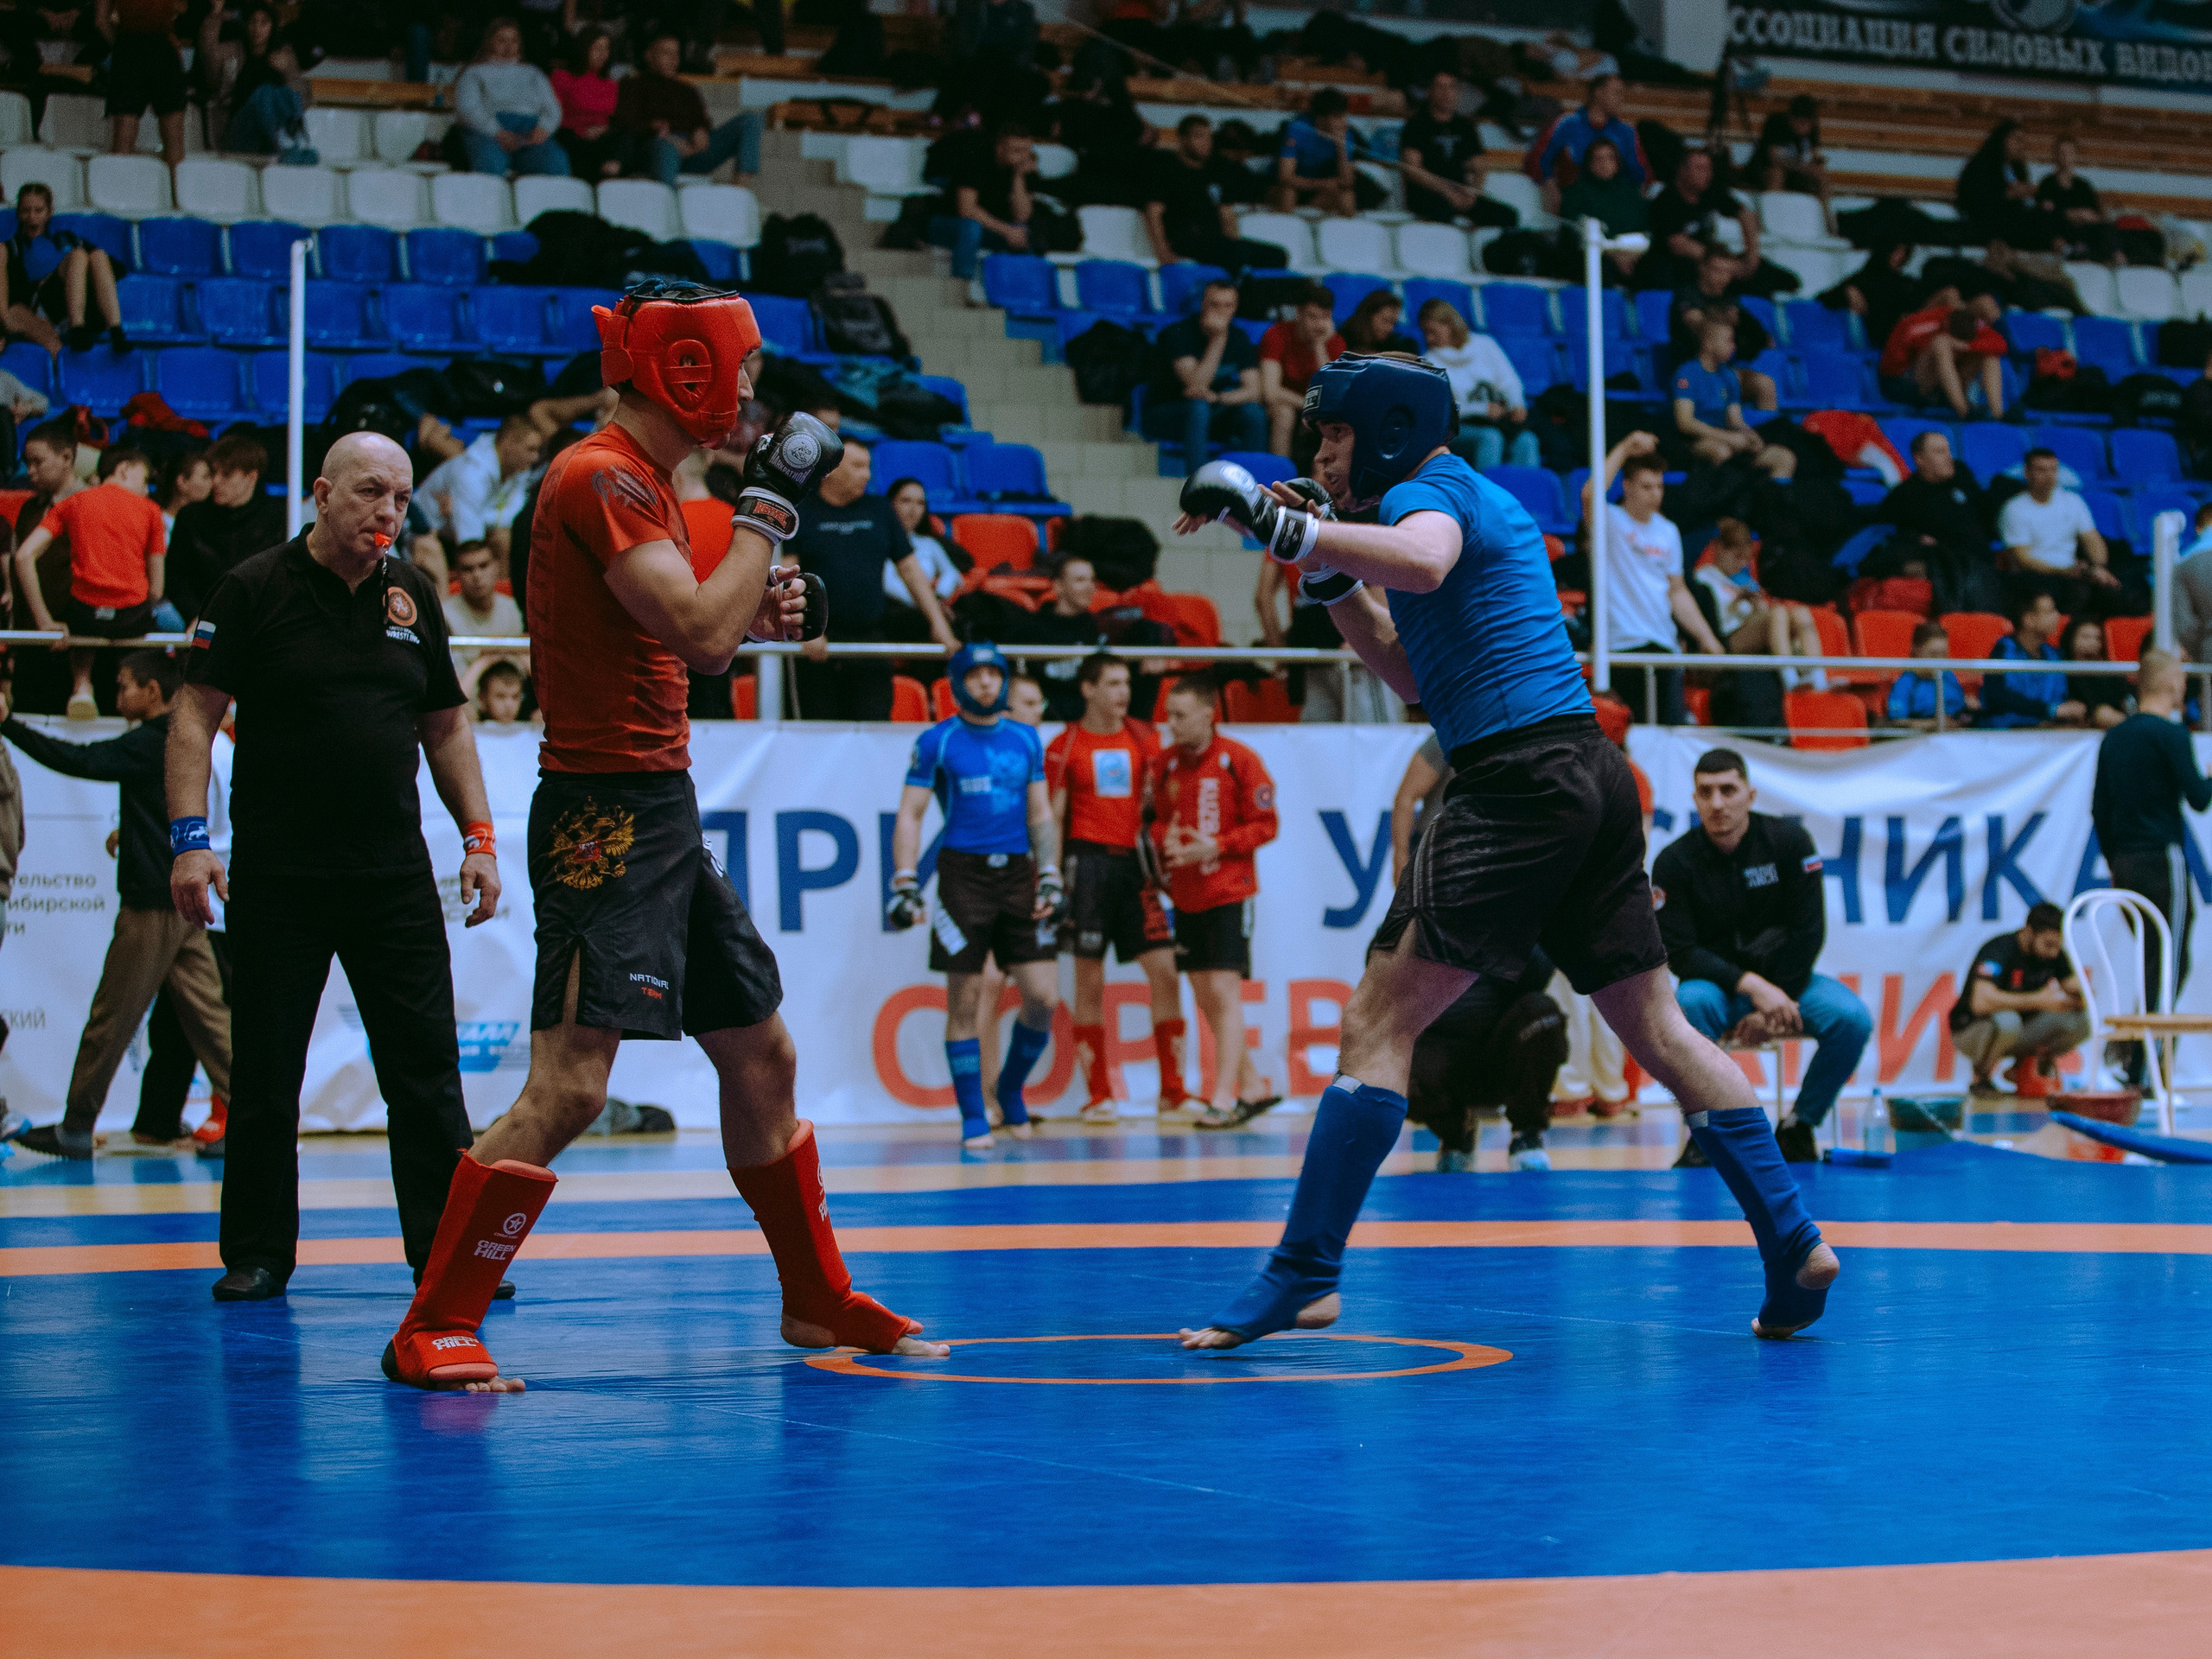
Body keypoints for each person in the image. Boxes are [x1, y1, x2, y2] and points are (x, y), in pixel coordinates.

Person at [1172, 353, 1840, 1348]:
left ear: (1390, 431)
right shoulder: (1427, 504)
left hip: (1519, 783)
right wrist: (1322, 569)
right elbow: (1412, 673)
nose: (1317, 453)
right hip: (1582, 772)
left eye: (1332, 435)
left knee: (1375, 1023)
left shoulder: (1433, 490)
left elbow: (1428, 560)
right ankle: (1794, 1240)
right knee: (1655, 1026)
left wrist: (1287, 525)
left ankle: (1304, 1271)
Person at [374, 283, 942, 1390]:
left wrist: (766, 593)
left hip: (659, 805)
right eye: (740, 370)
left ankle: (814, 1297)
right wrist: (768, 522)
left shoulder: (658, 488)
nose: (749, 395)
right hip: (603, 812)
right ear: (687, 372)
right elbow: (700, 632)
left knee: (762, 1053)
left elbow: (701, 620)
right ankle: (432, 1320)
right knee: (572, 1087)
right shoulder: (598, 476)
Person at [164, 432, 494, 1302]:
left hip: (391, 877)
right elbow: (194, 718)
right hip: (281, 879)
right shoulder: (252, 589)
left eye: (400, 498)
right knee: (267, 1074)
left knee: (426, 1074)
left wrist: (480, 839)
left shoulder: (411, 594)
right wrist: (190, 840)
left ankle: (446, 1252)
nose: (387, 512)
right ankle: (259, 1253)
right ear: (321, 494)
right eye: (370, 493)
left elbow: (447, 727)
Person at [3, 652, 234, 1160]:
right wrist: (128, 836)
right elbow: (165, 808)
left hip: (153, 907)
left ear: (153, 692)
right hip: (184, 904)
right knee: (212, 1021)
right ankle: (261, 1117)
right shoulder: (182, 744)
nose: (117, 696)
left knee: (110, 1021)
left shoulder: (152, 742)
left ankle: (76, 1127)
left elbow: (79, 760)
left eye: (125, 685)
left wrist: (9, 727)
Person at [1655, 749, 1872, 1164]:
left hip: (1787, 984)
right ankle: (1706, 1132)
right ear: (1695, 799)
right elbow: (1680, 953)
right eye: (1706, 792)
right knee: (1687, 1003)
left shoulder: (1790, 843)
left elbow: (1809, 932)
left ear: (1750, 795)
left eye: (1728, 790)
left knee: (1851, 1019)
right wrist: (1754, 988)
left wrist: (1776, 1001)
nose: (1717, 803)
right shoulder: (1673, 862)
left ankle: (1799, 1125)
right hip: (1718, 989)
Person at [887, 641, 1062, 1149]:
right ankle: (972, 1114)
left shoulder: (1027, 739)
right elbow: (911, 814)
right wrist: (904, 879)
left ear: (1004, 680)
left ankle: (1009, 1088)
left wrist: (1049, 870)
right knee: (964, 1000)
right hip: (962, 877)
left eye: (994, 674)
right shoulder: (937, 741)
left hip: (1018, 874)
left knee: (1042, 996)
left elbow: (1040, 814)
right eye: (975, 675)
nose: (986, 683)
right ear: (958, 683)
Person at [1046, 652, 1184, 1122]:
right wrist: (1047, 874)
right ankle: (1099, 1095)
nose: (1123, 692)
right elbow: (1054, 815)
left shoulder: (1145, 736)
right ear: (1088, 689)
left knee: (1165, 971)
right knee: (1089, 981)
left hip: (1135, 868)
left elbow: (1162, 801)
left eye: (1126, 683)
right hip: (1086, 866)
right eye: (1112, 683)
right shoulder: (1065, 746)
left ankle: (1174, 1092)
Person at [1147, 673, 1279, 1128]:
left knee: (1223, 992)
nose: (1172, 725)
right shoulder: (1164, 765)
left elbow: (1266, 825)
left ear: (1209, 714)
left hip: (1229, 891)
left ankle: (1223, 1099)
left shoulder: (1239, 760)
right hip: (1186, 894)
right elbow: (1156, 823)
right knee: (1205, 995)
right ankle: (1253, 1085)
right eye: (1168, 716)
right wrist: (1171, 842)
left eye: (1181, 716)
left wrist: (1216, 846)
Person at [786, 439, 957, 719]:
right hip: (819, 643)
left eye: (867, 467)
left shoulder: (879, 510)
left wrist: (938, 624)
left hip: (871, 639)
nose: (866, 475)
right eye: (857, 466)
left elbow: (910, 571)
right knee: (818, 735)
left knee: (874, 728)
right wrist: (806, 629)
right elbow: (787, 575)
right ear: (830, 470)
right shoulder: (802, 512)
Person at [2093, 648, 2212, 1036]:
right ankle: (2148, 1068)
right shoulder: (2171, 734)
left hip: (2125, 862)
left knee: (2154, 958)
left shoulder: (2114, 738)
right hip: (2162, 858)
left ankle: (2134, 1057)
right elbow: (2198, 797)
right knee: (2169, 961)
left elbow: (2099, 810)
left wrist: (2115, 859)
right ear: (2170, 682)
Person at [12, 445, 166, 721]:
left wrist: (44, 621)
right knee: (146, 632)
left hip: (85, 614)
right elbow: (156, 587)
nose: (146, 490)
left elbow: (23, 556)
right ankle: (130, 688)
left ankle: (82, 685)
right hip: (132, 615)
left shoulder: (72, 503)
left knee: (78, 613)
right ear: (124, 469)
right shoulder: (151, 510)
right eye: (144, 481)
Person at [1583, 432, 1726, 725]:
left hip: (1664, 648)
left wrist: (1707, 637)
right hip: (1622, 647)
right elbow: (1589, 495)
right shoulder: (1610, 521)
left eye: (1659, 486)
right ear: (1627, 487)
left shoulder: (1668, 531)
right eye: (1646, 486)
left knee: (1667, 738)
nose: (1655, 494)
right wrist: (1623, 448)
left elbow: (1677, 591)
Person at [1948, 901, 2090, 1096]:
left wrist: (2077, 997)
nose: (2054, 952)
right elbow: (1980, 1002)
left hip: (2020, 1032)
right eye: (2048, 945)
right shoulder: (1999, 949)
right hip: (1972, 1029)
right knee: (2008, 1020)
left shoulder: (2054, 954)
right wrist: (2037, 1000)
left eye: (2058, 946)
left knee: (2081, 1020)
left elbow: (2080, 992)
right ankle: (1980, 1078)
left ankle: (2022, 1070)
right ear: (2028, 932)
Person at [1141, 277, 1265, 477]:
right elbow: (1196, 385)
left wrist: (1219, 398)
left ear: (1235, 308)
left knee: (1253, 413)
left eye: (1228, 306)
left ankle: (1253, 483)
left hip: (1211, 408)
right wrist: (1218, 339)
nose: (1221, 311)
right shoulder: (1179, 333)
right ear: (1202, 305)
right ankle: (1199, 483)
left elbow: (1254, 391)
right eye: (1214, 304)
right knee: (1198, 406)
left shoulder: (1239, 337)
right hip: (1168, 411)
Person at [1870, 429, 2000, 614]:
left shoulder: (1962, 477)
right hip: (1951, 571)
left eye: (1948, 451)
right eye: (1940, 452)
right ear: (1919, 459)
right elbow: (1886, 534)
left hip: (1983, 563)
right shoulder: (1905, 496)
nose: (1949, 457)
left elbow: (1986, 512)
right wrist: (1916, 540)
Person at [1141, 114, 1288, 273]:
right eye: (1199, 136)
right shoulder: (1168, 170)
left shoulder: (1215, 171)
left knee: (1277, 255)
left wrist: (1234, 242)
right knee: (1234, 255)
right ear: (1183, 139)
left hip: (1216, 240)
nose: (1206, 142)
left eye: (1209, 137)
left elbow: (1226, 213)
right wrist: (1162, 252)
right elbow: (1154, 213)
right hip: (1185, 239)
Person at [613, 32, 762, 189]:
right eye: (666, 53)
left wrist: (700, 130)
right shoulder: (633, 85)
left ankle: (741, 189)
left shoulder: (687, 90)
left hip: (692, 149)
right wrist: (655, 128)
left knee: (751, 119)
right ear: (649, 55)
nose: (673, 58)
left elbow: (700, 121)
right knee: (666, 147)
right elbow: (624, 122)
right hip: (657, 145)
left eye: (676, 53)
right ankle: (667, 201)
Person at [165, 433, 285, 625]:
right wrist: (194, 616)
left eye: (226, 474)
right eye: (213, 473)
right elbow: (175, 577)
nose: (216, 482)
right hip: (205, 621)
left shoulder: (279, 518)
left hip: (260, 624)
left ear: (251, 477)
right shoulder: (191, 517)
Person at [2, 181, 127, 356]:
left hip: (86, 307)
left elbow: (120, 270)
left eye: (38, 211)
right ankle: (77, 328)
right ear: (18, 214)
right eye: (26, 211)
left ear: (49, 213)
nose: (32, 217)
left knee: (97, 255)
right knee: (78, 257)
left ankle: (116, 330)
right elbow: (14, 297)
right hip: (46, 310)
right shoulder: (13, 248)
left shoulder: (66, 239)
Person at [1641, 149, 1789, 296]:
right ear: (1682, 171)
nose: (1707, 174)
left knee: (1767, 277)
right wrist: (1723, 263)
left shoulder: (1712, 192)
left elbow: (1746, 214)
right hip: (1677, 262)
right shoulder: (1666, 201)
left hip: (1710, 259)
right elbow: (1678, 244)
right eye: (1700, 169)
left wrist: (1752, 257)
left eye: (1709, 169)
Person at [1999, 448, 2121, 617]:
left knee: (2114, 590)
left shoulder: (2072, 501)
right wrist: (2067, 571)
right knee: (2076, 592)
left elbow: (2093, 540)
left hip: (2072, 573)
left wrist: (2097, 568)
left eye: (2053, 470)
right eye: (2041, 470)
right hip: (2036, 577)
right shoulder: (2014, 509)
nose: (2049, 475)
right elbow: (2023, 559)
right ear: (2027, 473)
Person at [1418, 298, 1538, 471]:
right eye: (1425, 333)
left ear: (1450, 325)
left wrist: (1516, 404)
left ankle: (1525, 496)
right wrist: (1483, 409)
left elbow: (1509, 381)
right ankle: (1484, 496)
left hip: (1498, 421)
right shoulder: (1430, 360)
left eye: (1433, 331)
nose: (1429, 339)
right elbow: (1443, 409)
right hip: (1459, 428)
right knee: (1491, 438)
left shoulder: (1485, 344)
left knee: (1527, 440)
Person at [1696, 518, 1821, 680]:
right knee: (1777, 613)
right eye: (1737, 556)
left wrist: (1758, 605)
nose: (1741, 564)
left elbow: (1761, 617)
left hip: (1752, 632)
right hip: (1725, 639)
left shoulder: (1746, 581)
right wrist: (1736, 602)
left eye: (1746, 560)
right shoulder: (1704, 577)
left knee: (1801, 613)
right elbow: (1711, 620)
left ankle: (1818, 678)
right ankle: (1789, 678)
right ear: (1719, 548)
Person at [416, 414, 545, 569]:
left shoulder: (518, 469)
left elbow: (517, 517)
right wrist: (486, 520)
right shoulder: (471, 473)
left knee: (504, 537)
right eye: (531, 449)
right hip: (425, 532)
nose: (535, 457)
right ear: (509, 442)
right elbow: (471, 542)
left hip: (461, 532)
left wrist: (472, 514)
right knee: (500, 541)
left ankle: (504, 591)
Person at [1669, 321, 1795, 475]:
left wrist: (1751, 437)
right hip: (1694, 442)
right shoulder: (1687, 373)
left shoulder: (1728, 376)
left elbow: (1734, 421)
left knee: (1783, 458)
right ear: (1708, 343)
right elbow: (1685, 423)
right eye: (1728, 340)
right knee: (1721, 452)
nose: (1733, 346)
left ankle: (1771, 497)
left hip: (1727, 438)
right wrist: (1728, 438)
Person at [454, 17, 569, 179]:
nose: (508, 46)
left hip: (530, 132)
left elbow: (552, 108)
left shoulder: (533, 73)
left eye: (513, 41)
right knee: (491, 163)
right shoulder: (474, 73)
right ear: (489, 42)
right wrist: (497, 132)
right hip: (489, 132)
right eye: (502, 40)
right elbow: (468, 109)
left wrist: (544, 128)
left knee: (555, 161)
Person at [1396, 68, 1510, 228]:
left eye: (1451, 87)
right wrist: (1447, 192)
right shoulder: (1416, 125)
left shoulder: (1465, 126)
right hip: (1428, 194)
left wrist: (1473, 192)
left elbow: (1480, 166)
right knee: (1442, 213)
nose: (1447, 93)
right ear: (1430, 91)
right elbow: (1413, 170)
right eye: (1441, 87)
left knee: (1507, 215)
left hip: (1461, 193)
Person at [1004, 555, 1108, 721]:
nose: (1090, 587)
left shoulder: (1100, 627)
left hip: (1087, 724)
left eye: (1092, 580)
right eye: (1080, 580)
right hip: (1042, 722)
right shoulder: (1029, 630)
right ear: (1058, 586)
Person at [1668, 250, 1777, 406]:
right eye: (1717, 270)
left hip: (1723, 370)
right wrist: (1728, 322)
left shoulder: (1730, 299)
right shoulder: (1687, 295)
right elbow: (1703, 331)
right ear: (1702, 268)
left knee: (1764, 384)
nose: (1722, 277)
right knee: (1727, 382)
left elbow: (1764, 339)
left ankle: (1766, 427)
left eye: (1727, 272)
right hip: (1692, 369)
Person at [1878, 295, 2007, 421]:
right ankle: (1964, 411)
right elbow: (1890, 366)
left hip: (1947, 388)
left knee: (1989, 354)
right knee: (1941, 343)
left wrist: (1964, 346)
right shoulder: (1923, 321)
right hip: (1912, 385)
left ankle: (1997, 413)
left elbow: (2000, 345)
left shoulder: (1971, 323)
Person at [210, 2, 310, 157]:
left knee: (275, 95)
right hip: (240, 131)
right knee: (264, 94)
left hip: (272, 133)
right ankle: (287, 146)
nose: (257, 29)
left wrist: (287, 73)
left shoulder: (283, 56)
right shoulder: (232, 52)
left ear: (272, 26)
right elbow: (208, 58)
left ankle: (285, 143)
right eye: (253, 22)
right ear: (246, 25)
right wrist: (214, 16)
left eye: (264, 22)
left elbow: (302, 99)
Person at [1527, 72, 1647, 195]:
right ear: (1599, 93)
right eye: (1617, 93)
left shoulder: (1627, 132)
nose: (1621, 99)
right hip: (1573, 196)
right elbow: (1537, 160)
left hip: (1614, 197)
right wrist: (1548, 182)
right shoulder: (1566, 124)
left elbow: (1638, 172)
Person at [1257, 287, 1343, 459]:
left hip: (1316, 411)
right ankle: (1279, 479)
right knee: (1284, 413)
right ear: (1299, 313)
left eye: (1325, 318)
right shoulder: (1276, 335)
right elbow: (1271, 392)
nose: (1319, 324)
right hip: (1283, 405)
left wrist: (1319, 346)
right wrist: (1309, 407)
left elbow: (1333, 393)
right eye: (1312, 317)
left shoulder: (1334, 342)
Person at [106, 0, 190, 170]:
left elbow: (101, 20)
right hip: (161, 45)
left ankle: (118, 193)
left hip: (128, 45)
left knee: (124, 135)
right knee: (173, 138)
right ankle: (175, 196)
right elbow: (182, 6)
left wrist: (122, 44)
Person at [945, 124, 1041, 270]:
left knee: (1024, 234)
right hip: (949, 223)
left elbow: (1022, 217)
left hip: (991, 227)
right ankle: (960, 286)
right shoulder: (976, 160)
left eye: (1027, 150)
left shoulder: (1022, 168)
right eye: (1017, 150)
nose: (1023, 156)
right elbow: (966, 210)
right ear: (1000, 147)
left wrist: (1018, 176)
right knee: (971, 227)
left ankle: (1022, 290)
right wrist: (1007, 230)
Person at [1981, 589, 2080, 730]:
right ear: (2029, 619)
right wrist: (2049, 710)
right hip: (2008, 734)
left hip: (2049, 730)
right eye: (2049, 612)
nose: (2057, 616)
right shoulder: (2003, 651)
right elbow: (1997, 698)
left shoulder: (2053, 655)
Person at [881, 477, 963, 644]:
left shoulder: (929, 543)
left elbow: (952, 573)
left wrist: (939, 595)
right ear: (890, 504)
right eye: (905, 501)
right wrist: (930, 606)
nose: (913, 510)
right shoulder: (879, 541)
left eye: (920, 503)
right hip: (894, 611)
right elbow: (886, 583)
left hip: (932, 608)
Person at [1957, 120, 2056, 252]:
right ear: (2002, 139)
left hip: (2014, 219)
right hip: (1988, 222)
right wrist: (2008, 194)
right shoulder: (1981, 165)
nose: (2021, 146)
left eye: (2023, 142)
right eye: (2017, 140)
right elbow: (1974, 200)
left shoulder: (2018, 168)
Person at [1558, 137, 1648, 283]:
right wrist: (1614, 256)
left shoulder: (1632, 194)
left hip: (1634, 257)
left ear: (1617, 163)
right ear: (1589, 163)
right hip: (1592, 258)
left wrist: (1632, 256)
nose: (1604, 164)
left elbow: (1646, 231)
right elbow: (1576, 236)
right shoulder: (1575, 194)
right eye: (1598, 159)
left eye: (1610, 158)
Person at [444, 537, 528, 688]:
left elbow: (520, 672)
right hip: (469, 703)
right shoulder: (445, 615)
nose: (477, 576)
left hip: (511, 699)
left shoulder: (510, 607)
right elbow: (454, 689)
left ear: (496, 567)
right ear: (456, 574)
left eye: (483, 566)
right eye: (468, 569)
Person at [1269, 86, 1359, 216]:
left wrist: (1341, 147)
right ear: (1322, 118)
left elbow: (1347, 181)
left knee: (1347, 196)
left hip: (1316, 191)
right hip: (1292, 186)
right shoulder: (1297, 130)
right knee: (1288, 193)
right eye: (1338, 117)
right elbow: (1285, 177)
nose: (1343, 122)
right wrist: (1322, 184)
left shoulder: (1346, 134)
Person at [550, 28, 625, 181]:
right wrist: (581, 131)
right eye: (597, 48)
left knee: (624, 138)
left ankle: (609, 181)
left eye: (606, 48)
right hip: (571, 133)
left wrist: (602, 129)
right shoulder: (562, 77)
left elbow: (612, 117)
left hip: (602, 135)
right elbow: (554, 114)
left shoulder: (611, 84)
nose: (603, 54)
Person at [1823, 241, 1918, 355]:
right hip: (1885, 343)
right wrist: (1847, 291)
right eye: (1897, 251)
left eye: (1906, 252)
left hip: (1910, 336)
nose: (1902, 256)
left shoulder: (1909, 284)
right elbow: (1824, 298)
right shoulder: (1866, 278)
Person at [2035, 136, 2118, 265]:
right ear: (2055, 155)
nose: (2065, 157)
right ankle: (2068, 250)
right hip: (2061, 230)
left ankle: (2112, 255)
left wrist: (2087, 216)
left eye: (2069, 153)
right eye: (2061, 153)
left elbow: (2096, 216)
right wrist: (2071, 214)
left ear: (2075, 156)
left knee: (2107, 228)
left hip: (2083, 230)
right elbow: (2044, 213)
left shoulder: (2083, 186)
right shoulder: (2047, 184)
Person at [1750, 93, 1829, 216]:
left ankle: (1826, 220)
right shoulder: (1776, 123)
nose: (1804, 128)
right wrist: (1802, 167)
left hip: (1795, 173)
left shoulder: (1812, 129)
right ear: (1791, 119)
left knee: (1820, 175)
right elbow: (1774, 158)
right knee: (1777, 174)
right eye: (1801, 123)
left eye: (1808, 124)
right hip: (1764, 171)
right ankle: (1773, 217)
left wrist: (1816, 165)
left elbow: (1814, 155)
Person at [1885, 619, 1969, 728]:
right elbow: (1897, 723)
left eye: (1943, 655)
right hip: (1923, 740)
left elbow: (1962, 711)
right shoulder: (1905, 683)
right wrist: (1935, 724)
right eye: (1933, 654)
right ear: (1916, 651)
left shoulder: (1949, 676)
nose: (1939, 661)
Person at [2064, 617, 2129, 732]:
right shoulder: (2062, 670)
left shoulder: (2109, 672)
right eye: (2085, 637)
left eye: (2097, 638)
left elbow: (2125, 698)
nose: (2093, 643)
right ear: (2071, 639)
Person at [1338, 289, 1421, 358]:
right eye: (1385, 321)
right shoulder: (1345, 338)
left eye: (1393, 323)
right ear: (1368, 317)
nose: (1390, 328)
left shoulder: (1392, 343)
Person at [475, 657, 528, 727]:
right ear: (482, 698)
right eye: (500, 697)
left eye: (515, 697)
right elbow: (457, 706)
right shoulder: (472, 720)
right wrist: (483, 661)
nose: (509, 705)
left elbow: (547, 704)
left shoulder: (533, 719)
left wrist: (525, 658)